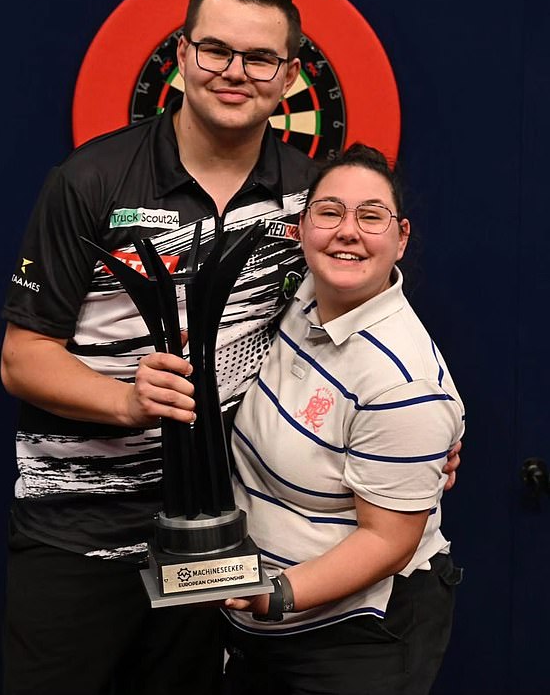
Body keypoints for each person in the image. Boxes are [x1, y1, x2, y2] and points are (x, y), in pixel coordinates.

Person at [0, 0, 317, 695]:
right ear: (180, 55)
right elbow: (23, 360)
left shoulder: (307, 197)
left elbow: (339, 342)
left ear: (290, 75)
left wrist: (403, 444)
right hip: (76, 535)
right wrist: (126, 401)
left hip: (222, 535)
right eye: (215, 50)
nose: (235, 73)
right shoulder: (91, 181)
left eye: (260, 57)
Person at [145, 144, 465, 695]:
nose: (348, 231)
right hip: (262, 627)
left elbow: (388, 541)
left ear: (401, 237)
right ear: (299, 229)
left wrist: (280, 593)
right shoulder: (302, 300)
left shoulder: (403, 382)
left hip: (354, 638)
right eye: (330, 212)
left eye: (371, 216)